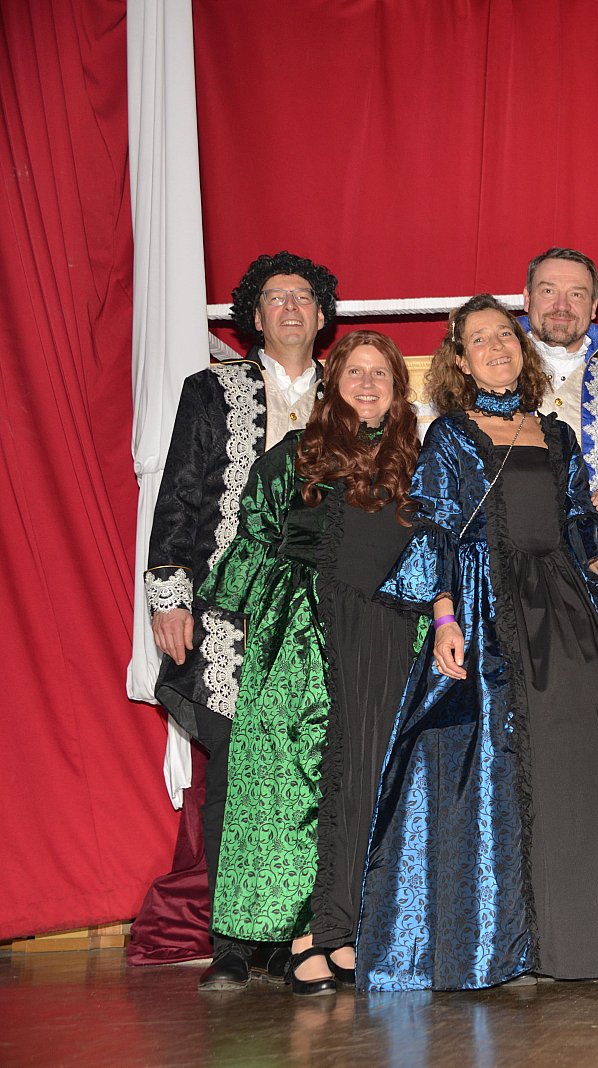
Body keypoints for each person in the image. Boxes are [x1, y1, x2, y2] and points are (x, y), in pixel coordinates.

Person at [359, 294, 598, 991]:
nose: (496, 347)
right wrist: (445, 617)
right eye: (480, 339)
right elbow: (433, 527)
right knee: (490, 766)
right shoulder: (450, 436)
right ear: (460, 360)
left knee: (579, 760)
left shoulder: (557, 436)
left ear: (522, 350)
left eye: (505, 336)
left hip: (565, 610)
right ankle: (495, 946)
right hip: (486, 608)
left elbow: (578, 523)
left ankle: (576, 945)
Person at [198, 330, 423, 994]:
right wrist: (277, 615)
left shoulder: (416, 462)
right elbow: (253, 541)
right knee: (302, 782)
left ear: (398, 389)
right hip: (306, 631)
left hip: (389, 632)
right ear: (332, 383)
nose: (367, 383)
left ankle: (345, 929)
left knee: (370, 781)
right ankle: (297, 934)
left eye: (380, 373)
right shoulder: (294, 457)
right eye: (355, 371)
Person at [144, 251, 338, 990]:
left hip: (317, 620)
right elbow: (180, 493)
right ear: (254, 316)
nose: (289, 308)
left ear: (321, 315)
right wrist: (170, 595)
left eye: (302, 297)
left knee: (312, 776)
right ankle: (230, 940)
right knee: (232, 771)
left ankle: (298, 937)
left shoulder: (349, 392)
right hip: (226, 614)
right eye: (274, 298)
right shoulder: (212, 390)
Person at [518, 247, 598, 524]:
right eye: (548, 291)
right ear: (527, 299)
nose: (562, 306)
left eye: (576, 294)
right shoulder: (487, 381)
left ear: (594, 306)